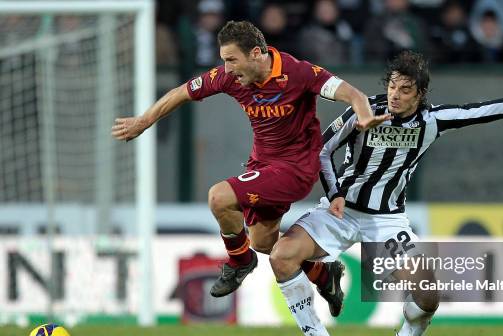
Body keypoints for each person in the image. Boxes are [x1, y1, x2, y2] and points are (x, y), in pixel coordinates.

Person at [268, 50, 503, 336]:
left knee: (428, 297)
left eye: (405, 90)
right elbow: (321, 152)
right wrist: (335, 191)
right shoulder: (364, 110)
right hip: (340, 212)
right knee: (282, 256)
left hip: (387, 221)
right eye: (392, 86)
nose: (395, 94)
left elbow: (490, 109)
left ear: (419, 94)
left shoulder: (433, 121)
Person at [112, 21, 389, 316]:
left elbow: (353, 94)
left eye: (232, 59)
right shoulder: (229, 77)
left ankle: (239, 261)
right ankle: (324, 275)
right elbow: (181, 92)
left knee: (219, 197)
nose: (227, 68)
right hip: (263, 165)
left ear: (256, 53)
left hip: (296, 168)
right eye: (224, 60)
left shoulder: (299, 72)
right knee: (263, 242)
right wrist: (143, 121)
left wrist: (364, 116)